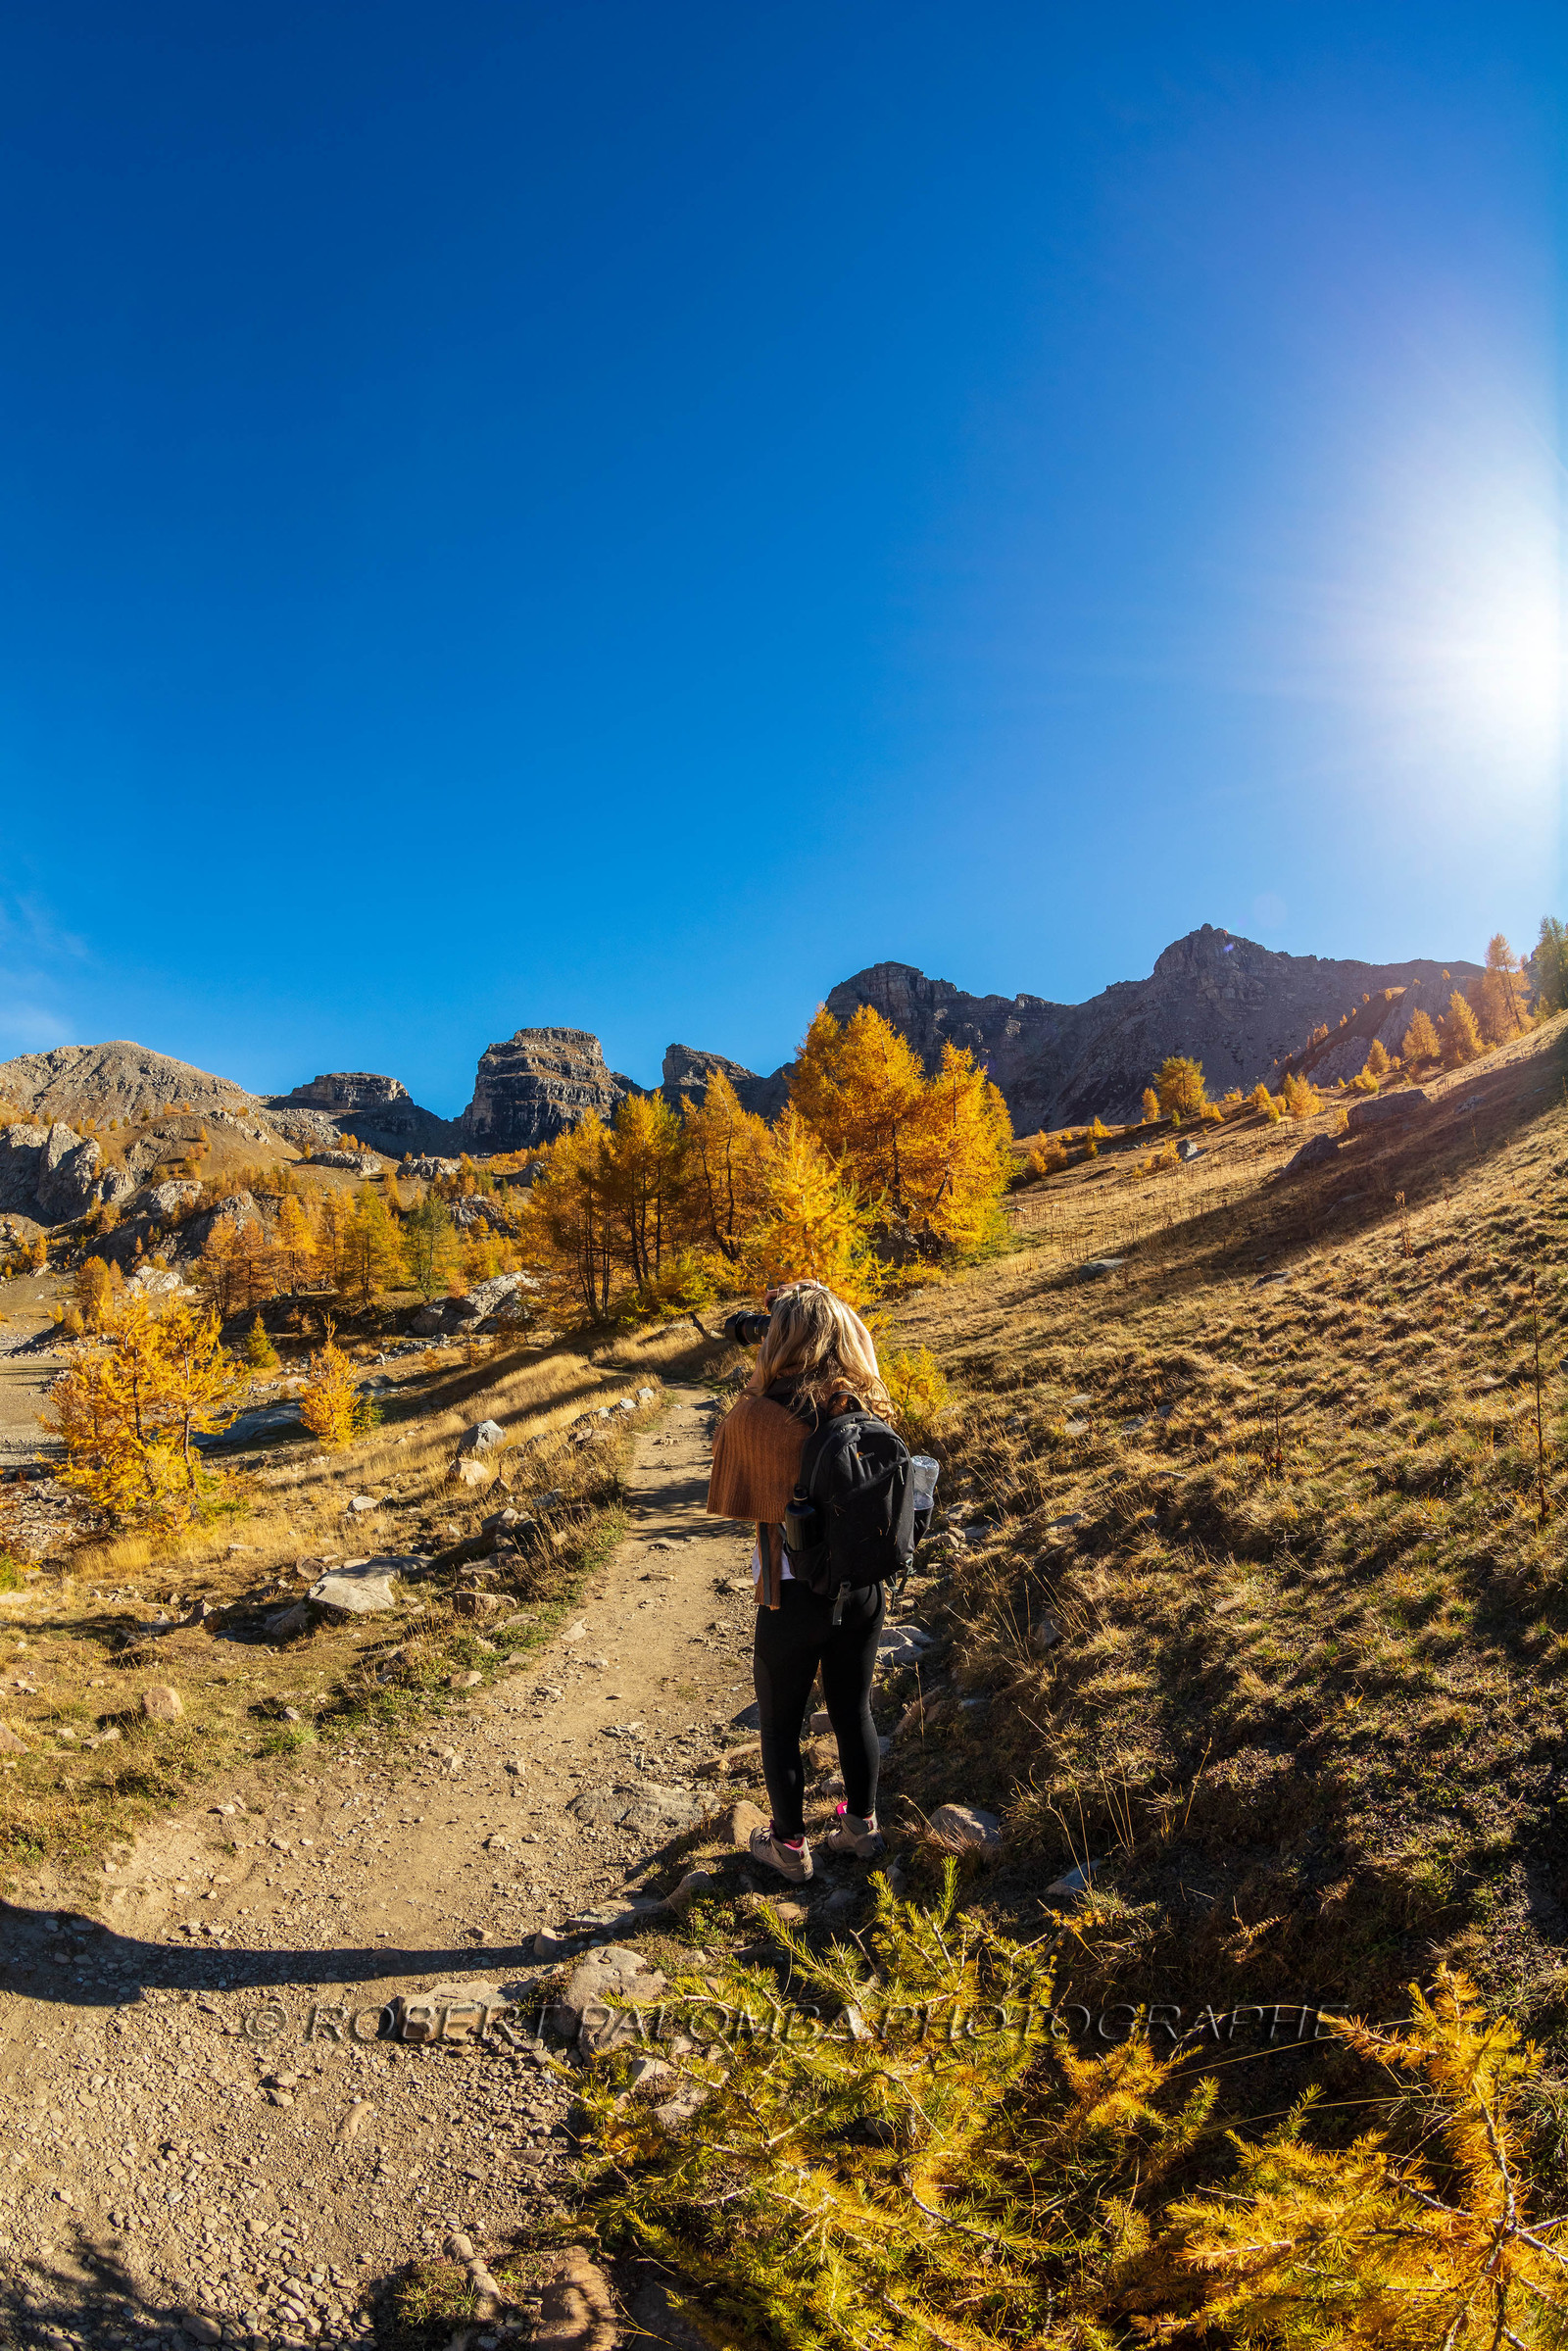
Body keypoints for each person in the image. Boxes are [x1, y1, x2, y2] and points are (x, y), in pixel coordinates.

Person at [707, 1282, 889, 1884]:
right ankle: (860, 1827)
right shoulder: (862, 1399)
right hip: (861, 1587)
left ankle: (788, 1846)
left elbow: (732, 1494)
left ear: (778, 1340)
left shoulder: (758, 1413)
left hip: (792, 1593)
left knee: (781, 1721)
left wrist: (757, 1385)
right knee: (852, 1708)